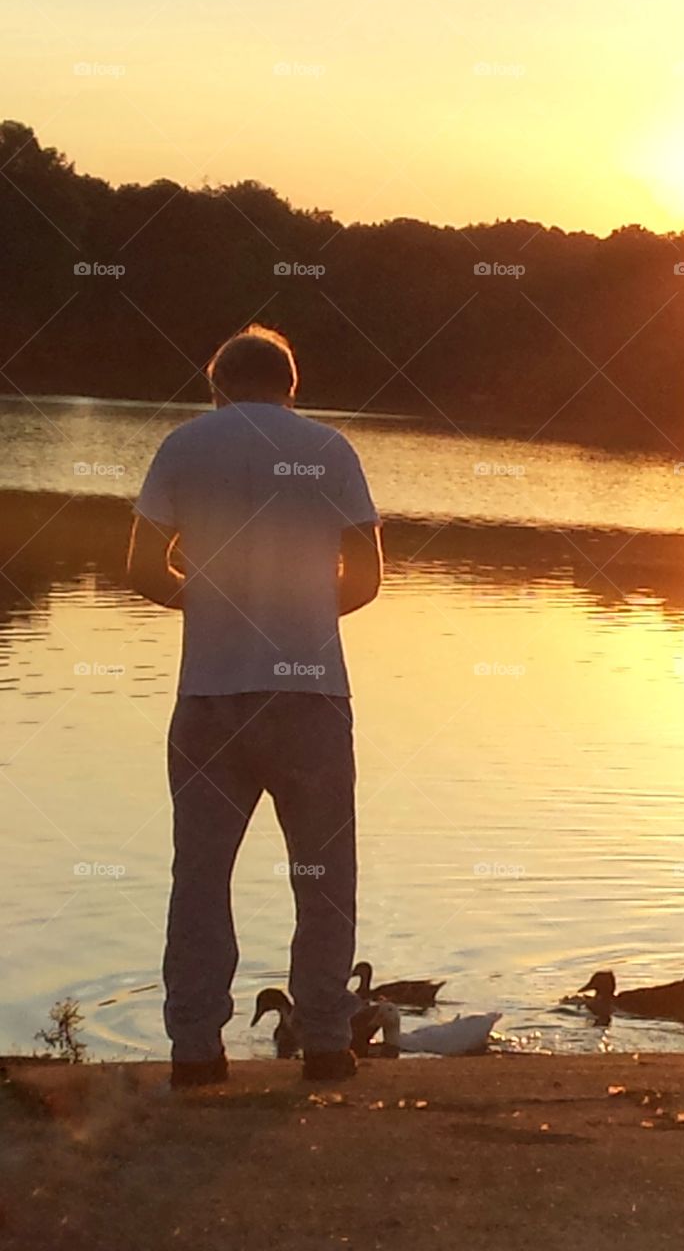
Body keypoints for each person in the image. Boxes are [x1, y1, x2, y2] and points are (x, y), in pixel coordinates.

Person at [127, 323, 382, 1087]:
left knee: (199, 877)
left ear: (216, 386)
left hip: (209, 698)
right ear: (291, 389)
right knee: (323, 876)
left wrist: (212, 612)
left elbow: (140, 565)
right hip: (309, 698)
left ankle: (195, 1053)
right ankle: (329, 1045)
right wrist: (296, 622)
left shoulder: (182, 446)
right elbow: (367, 578)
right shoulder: (331, 450)